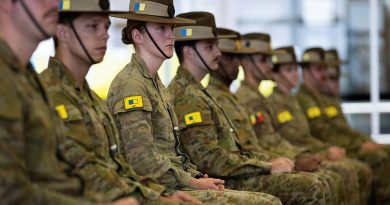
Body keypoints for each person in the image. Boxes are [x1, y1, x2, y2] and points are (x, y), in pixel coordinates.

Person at [106, 1, 280, 204]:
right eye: (161, 28)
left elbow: (173, 152)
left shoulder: (155, 83)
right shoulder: (131, 85)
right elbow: (142, 160)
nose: (171, 35)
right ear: (137, 36)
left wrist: (196, 176)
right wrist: (193, 181)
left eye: (171, 28)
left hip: (173, 183)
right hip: (156, 190)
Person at [39, 0, 197, 204]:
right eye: (92, 26)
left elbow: (116, 168)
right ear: (62, 33)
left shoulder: (91, 99)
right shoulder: (46, 93)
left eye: (105, 27)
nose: (104, 34)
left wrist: (156, 194)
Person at [169, 13, 328, 205]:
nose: (218, 53)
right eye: (210, 47)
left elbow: (239, 149)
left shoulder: (199, 92)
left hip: (229, 174)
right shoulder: (187, 95)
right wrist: (266, 166)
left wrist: (272, 162)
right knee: (310, 186)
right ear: (189, 52)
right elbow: (208, 159)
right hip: (220, 179)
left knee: (318, 181)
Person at [0, 0, 136, 204]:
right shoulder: (31, 83)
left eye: (106, 27)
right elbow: (10, 191)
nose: (55, 4)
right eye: (92, 26)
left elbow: (60, 176)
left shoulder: (29, 79)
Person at [268, 46, 373, 205]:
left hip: (306, 152)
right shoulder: (273, 101)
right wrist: (322, 153)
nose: (295, 73)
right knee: (342, 174)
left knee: (352, 170)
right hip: (294, 155)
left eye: (295, 68)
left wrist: (323, 151)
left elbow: (308, 137)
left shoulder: (291, 100)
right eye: (289, 69)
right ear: (274, 73)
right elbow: (286, 139)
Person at [296, 47, 390, 204]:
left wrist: (365, 141)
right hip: (331, 148)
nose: (325, 74)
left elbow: (344, 130)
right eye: (319, 69)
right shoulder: (303, 99)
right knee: (376, 159)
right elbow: (323, 133)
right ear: (305, 70)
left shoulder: (323, 99)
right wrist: (359, 146)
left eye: (325, 69)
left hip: (341, 146)